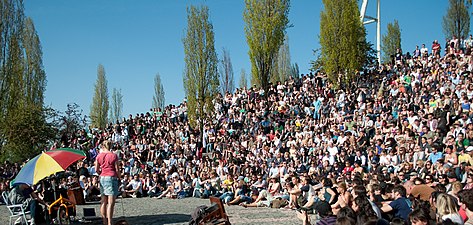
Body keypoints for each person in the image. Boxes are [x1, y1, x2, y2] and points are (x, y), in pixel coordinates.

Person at [95, 140, 120, 225]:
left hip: (102, 177)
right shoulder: (114, 155)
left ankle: (104, 221)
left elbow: (96, 169)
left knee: (103, 201)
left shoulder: (99, 156)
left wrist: (100, 173)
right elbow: (117, 169)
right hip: (111, 177)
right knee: (111, 202)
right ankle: (110, 222)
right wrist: (119, 177)